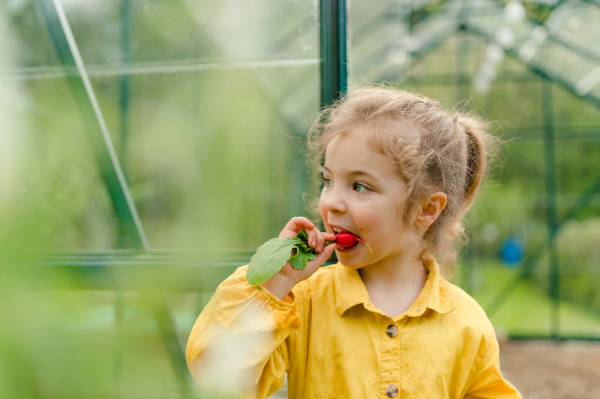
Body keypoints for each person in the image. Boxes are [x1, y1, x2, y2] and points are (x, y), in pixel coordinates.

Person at [186, 86, 521, 398]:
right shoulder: (302, 302)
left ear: (426, 209)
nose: (330, 201)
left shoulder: (467, 324)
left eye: (360, 186)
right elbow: (216, 374)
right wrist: (275, 284)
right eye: (327, 180)